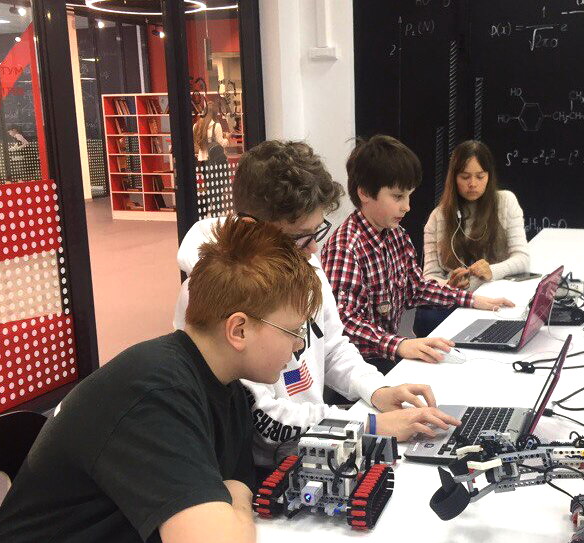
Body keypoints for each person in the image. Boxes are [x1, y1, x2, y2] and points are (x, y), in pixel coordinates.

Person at [0, 220, 321, 543]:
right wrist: (237, 503)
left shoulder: (225, 388)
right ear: (239, 329)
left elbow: (234, 493)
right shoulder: (153, 392)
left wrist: (234, 503)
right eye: (293, 331)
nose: (298, 345)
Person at [173, 140, 460, 474]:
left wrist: (376, 390)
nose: (313, 250)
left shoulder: (303, 262)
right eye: (299, 237)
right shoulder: (216, 296)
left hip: (318, 440)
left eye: (315, 233)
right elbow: (265, 422)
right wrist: (369, 425)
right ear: (252, 228)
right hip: (261, 469)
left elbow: (333, 346)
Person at [320, 135, 514, 374]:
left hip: (388, 353)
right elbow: (345, 324)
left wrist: (471, 299)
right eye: (397, 197)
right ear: (365, 193)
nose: (407, 206)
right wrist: (400, 345)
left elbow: (416, 288)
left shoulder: (396, 235)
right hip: (357, 368)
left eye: (409, 195)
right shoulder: (345, 248)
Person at [416, 140, 530, 335]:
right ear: (454, 178)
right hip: (457, 302)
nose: (473, 184)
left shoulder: (505, 202)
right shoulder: (438, 217)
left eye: (480, 176)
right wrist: (449, 285)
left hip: (496, 296)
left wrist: (491, 271)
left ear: (489, 176)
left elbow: (522, 259)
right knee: (426, 319)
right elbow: (429, 278)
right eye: (465, 177)